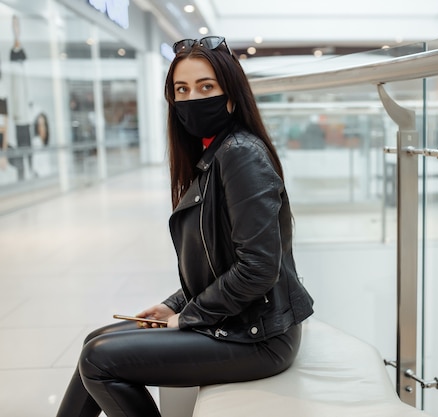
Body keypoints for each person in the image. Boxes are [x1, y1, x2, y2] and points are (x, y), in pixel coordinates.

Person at [56, 35, 314, 417]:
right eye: (182, 89)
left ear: (231, 94)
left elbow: (258, 268)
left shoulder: (240, 155)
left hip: (261, 337)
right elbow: (221, 263)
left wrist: (189, 315)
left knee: (99, 360)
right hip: (241, 321)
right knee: (96, 342)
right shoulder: (214, 153)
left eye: (206, 86)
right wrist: (171, 305)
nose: (192, 98)